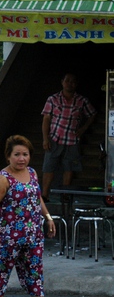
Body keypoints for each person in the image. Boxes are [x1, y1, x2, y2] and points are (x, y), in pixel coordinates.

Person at [0, 135, 60, 297]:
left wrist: (48, 217)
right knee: (2, 270)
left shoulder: (33, 173)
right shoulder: (3, 179)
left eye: (25, 154)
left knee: (35, 272)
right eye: (17, 154)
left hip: (33, 234)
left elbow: (37, 198)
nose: (21, 158)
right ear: (8, 157)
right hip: (8, 236)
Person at [40, 73, 96, 201]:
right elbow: (46, 119)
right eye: (67, 81)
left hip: (72, 140)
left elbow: (92, 114)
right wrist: (45, 138)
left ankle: (65, 194)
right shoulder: (52, 99)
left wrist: (84, 128)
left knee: (69, 167)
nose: (70, 83)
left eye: (73, 81)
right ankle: (45, 195)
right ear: (62, 82)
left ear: (76, 84)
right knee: (49, 167)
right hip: (54, 138)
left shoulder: (82, 101)